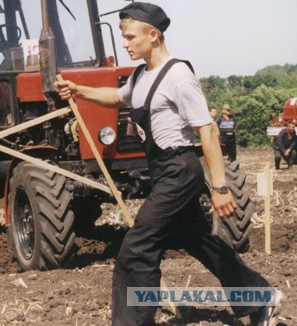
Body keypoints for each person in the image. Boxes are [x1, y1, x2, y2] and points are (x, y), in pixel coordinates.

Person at [54, 3, 280, 325]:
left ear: (153, 34)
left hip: (180, 169)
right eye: (123, 37)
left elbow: (207, 132)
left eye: (130, 36)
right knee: (198, 240)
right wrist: (79, 90)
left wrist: (219, 187)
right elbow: (118, 97)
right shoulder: (140, 75)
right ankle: (260, 299)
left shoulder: (178, 75)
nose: (125, 43)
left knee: (137, 246)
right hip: (162, 170)